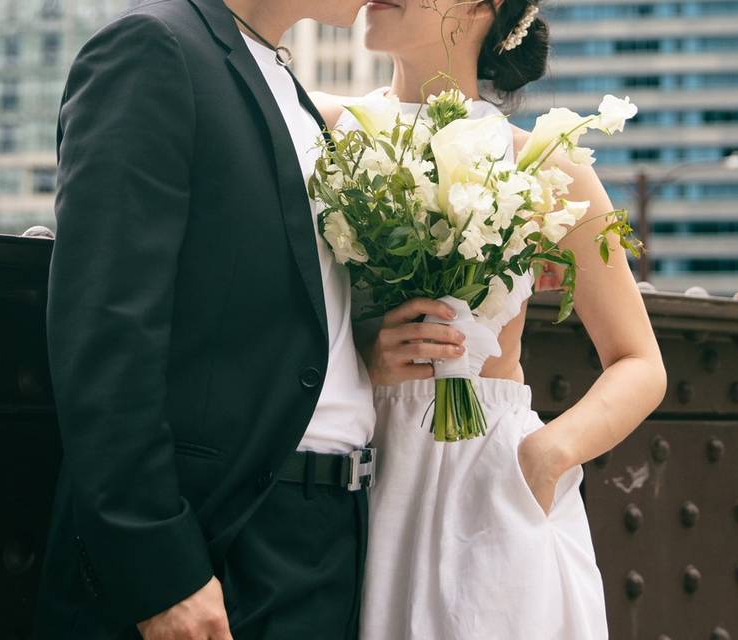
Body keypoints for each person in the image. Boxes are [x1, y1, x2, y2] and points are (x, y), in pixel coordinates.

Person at [31, 1, 457, 639]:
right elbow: (106, 330)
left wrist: (359, 352)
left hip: (329, 537)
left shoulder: (285, 84)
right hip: (218, 542)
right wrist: (161, 571)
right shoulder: (152, 49)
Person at [312, 1, 668, 638]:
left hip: (492, 493)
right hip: (348, 483)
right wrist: (362, 358)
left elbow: (639, 362)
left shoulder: (547, 164)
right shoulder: (322, 130)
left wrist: (545, 455)